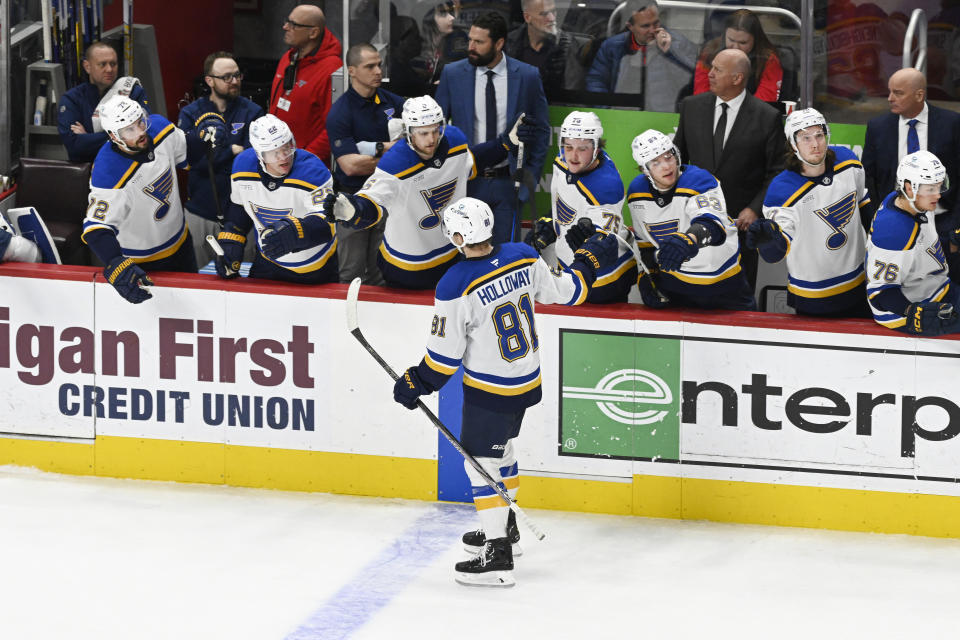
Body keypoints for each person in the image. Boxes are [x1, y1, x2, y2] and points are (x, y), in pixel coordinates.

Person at [391, 196, 618, 587]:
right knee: (503, 453)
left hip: (490, 391)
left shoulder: (455, 283)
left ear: (459, 235)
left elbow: (444, 360)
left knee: (479, 464)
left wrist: (416, 382)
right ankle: (505, 523)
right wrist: (588, 259)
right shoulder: (522, 255)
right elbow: (569, 291)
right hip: (527, 382)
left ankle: (498, 553)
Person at [322, 95, 537, 290]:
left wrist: (505, 143)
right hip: (405, 268)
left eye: (436, 130)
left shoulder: (454, 141)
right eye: (423, 133)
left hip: (451, 257)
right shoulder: (394, 164)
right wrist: (353, 210)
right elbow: (371, 203)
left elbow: (470, 162)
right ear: (408, 133)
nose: (432, 139)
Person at [435, 11, 551, 245]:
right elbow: (437, 131)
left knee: (504, 259)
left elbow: (541, 132)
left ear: (499, 44)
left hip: (507, 184)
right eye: (470, 40)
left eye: (479, 42)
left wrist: (526, 183)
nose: (471, 46)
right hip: (468, 182)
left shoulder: (527, 76)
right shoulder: (453, 74)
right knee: (466, 255)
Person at [673, 48, 784, 290]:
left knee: (738, 295)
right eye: (711, 67)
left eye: (717, 70)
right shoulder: (691, 107)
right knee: (694, 291)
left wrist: (755, 209)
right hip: (694, 223)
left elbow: (777, 171)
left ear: (737, 78)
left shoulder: (768, 117)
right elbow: (677, 160)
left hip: (741, 226)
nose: (709, 74)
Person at [81, 96, 210, 304]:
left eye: (140, 122)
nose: (140, 132)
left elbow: (188, 153)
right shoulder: (108, 172)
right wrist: (115, 262)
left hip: (181, 242)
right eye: (129, 130)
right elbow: (96, 228)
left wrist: (206, 134)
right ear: (114, 136)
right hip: (142, 262)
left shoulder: (159, 128)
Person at [748, 108, 871, 317]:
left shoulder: (849, 162)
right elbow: (778, 247)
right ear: (792, 144)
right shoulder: (782, 189)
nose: (815, 144)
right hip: (812, 294)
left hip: (858, 283)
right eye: (805, 138)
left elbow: (863, 205)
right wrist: (769, 242)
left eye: (819, 135)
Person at [627, 128, 755, 310]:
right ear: (644, 170)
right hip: (675, 290)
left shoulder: (699, 179)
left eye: (668, 157)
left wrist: (688, 240)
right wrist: (648, 277)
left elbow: (712, 225)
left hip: (725, 288)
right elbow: (646, 244)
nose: (666, 166)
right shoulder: (637, 192)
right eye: (655, 162)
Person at [524, 111, 637, 303]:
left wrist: (590, 248)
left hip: (604, 279)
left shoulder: (605, 187)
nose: (573, 156)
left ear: (596, 148)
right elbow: (567, 201)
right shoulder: (562, 159)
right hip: (572, 268)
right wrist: (551, 222)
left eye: (582, 148)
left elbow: (606, 246)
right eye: (568, 146)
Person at [214, 114, 337, 285]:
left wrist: (296, 232)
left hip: (315, 268)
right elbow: (239, 208)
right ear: (259, 154)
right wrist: (231, 241)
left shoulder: (313, 172)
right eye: (274, 152)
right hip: (267, 263)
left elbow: (327, 225)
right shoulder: (242, 166)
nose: (283, 157)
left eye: (287, 147)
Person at [326, 44, 407, 286]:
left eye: (379, 64)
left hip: (389, 198)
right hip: (353, 198)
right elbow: (350, 166)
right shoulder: (340, 112)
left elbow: (415, 149)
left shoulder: (395, 103)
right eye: (370, 66)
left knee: (382, 270)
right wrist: (389, 148)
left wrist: (368, 149)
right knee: (350, 271)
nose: (377, 71)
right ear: (352, 71)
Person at [178, 51, 264, 267]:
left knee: (242, 279)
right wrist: (231, 150)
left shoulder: (253, 112)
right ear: (210, 81)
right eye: (226, 77)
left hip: (242, 214)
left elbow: (253, 160)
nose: (234, 81)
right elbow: (189, 161)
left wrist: (216, 153)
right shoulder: (191, 113)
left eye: (237, 75)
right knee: (196, 280)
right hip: (200, 212)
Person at [861, 68, 960, 244]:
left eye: (898, 93)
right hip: (893, 224)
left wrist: (954, 229)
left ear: (919, 95)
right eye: (890, 91)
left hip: (942, 227)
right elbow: (868, 179)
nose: (890, 98)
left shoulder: (952, 124)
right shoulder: (878, 127)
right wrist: (877, 218)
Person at [866, 150, 960, 336]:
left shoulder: (911, 201)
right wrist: (912, 312)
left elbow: (921, 244)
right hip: (909, 308)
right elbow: (880, 294)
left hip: (935, 285)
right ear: (910, 188)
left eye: (939, 186)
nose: (938, 195)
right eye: (931, 188)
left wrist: (951, 241)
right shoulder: (893, 231)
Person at [585, 0, 698, 113]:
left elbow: (691, 81)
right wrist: (605, 110)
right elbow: (596, 80)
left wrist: (670, 52)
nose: (653, 30)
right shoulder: (613, 46)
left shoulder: (678, 43)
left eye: (656, 23)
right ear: (630, 26)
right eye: (645, 26)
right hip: (622, 112)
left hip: (664, 114)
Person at [268, 4, 343, 163]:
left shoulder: (332, 69)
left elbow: (333, 128)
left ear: (313, 32)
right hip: (277, 159)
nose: (285, 27)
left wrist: (304, 160)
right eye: (286, 21)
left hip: (304, 166)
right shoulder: (288, 58)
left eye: (293, 24)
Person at [57, 41, 150, 163]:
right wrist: (124, 134)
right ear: (87, 66)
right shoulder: (71, 99)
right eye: (102, 64)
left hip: (129, 168)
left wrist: (88, 137)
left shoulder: (133, 92)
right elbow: (75, 146)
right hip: (90, 172)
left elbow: (145, 131)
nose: (109, 69)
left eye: (113, 64)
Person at [504, 0, 595, 97]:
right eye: (544, 14)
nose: (552, 18)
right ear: (527, 17)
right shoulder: (509, 43)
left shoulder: (569, 46)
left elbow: (573, 94)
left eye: (553, 12)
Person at [693, 9, 783, 103]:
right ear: (724, 35)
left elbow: (765, 101)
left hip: (751, 113)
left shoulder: (769, 60)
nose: (735, 47)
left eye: (743, 42)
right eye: (731, 40)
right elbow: (701, 93)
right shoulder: (709, 52)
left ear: (755, 40)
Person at [411, 2, 469, 90]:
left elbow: (463, 71)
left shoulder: (458, 39)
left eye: (450, 13)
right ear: (429, 19)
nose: (452, 18)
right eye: (443, 14)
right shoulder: (416, 45)